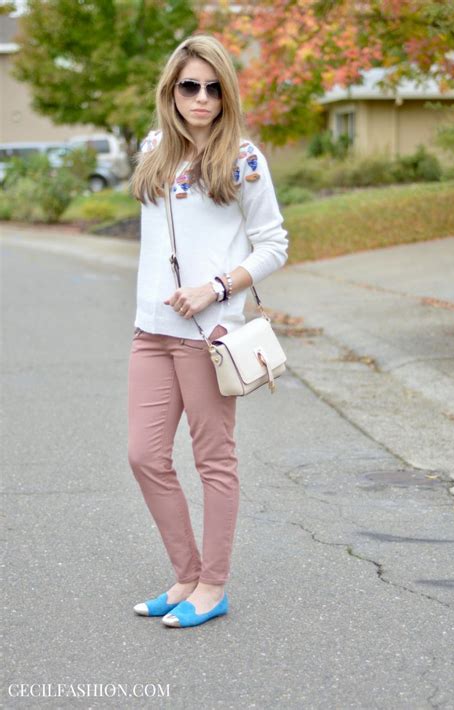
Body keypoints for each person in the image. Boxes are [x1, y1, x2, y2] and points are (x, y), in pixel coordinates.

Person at [127, 34, 288, 628]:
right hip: (150, 329)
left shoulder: (243, 158)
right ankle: (185, 573)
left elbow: (274, 244)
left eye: (213, 87)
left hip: (208, 333)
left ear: (226, 93)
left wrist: (216, 289)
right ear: (172, 90)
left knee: (212, 459)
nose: (201, 97)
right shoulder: (153, 150)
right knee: (144, 456)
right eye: (190, 85)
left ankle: (212, 585)